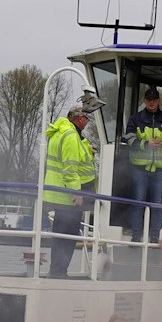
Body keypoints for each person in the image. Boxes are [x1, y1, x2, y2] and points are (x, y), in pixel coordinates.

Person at [43, 97, 99, 278]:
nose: (87, 122)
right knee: (67, 236)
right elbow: (69, 166)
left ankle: (57, 271)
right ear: (79, 119)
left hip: (58, 193)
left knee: (61, 235)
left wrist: (87, 148)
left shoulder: (61, 132)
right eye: (86, 119)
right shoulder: (70, 135)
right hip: (67, 196)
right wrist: (77, 191)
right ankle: (59, 272)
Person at [122, 88, 162, 243]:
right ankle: (136, 236)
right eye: (149, 99)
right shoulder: (136, 119)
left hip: (160, 170)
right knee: (138, 203)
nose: (151, 102)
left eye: (154, 99)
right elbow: (128, 138)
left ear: (158, 101)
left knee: (157, 205)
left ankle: (155, 236)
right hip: (139, 169)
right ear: (144, 101)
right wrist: (145, 144)